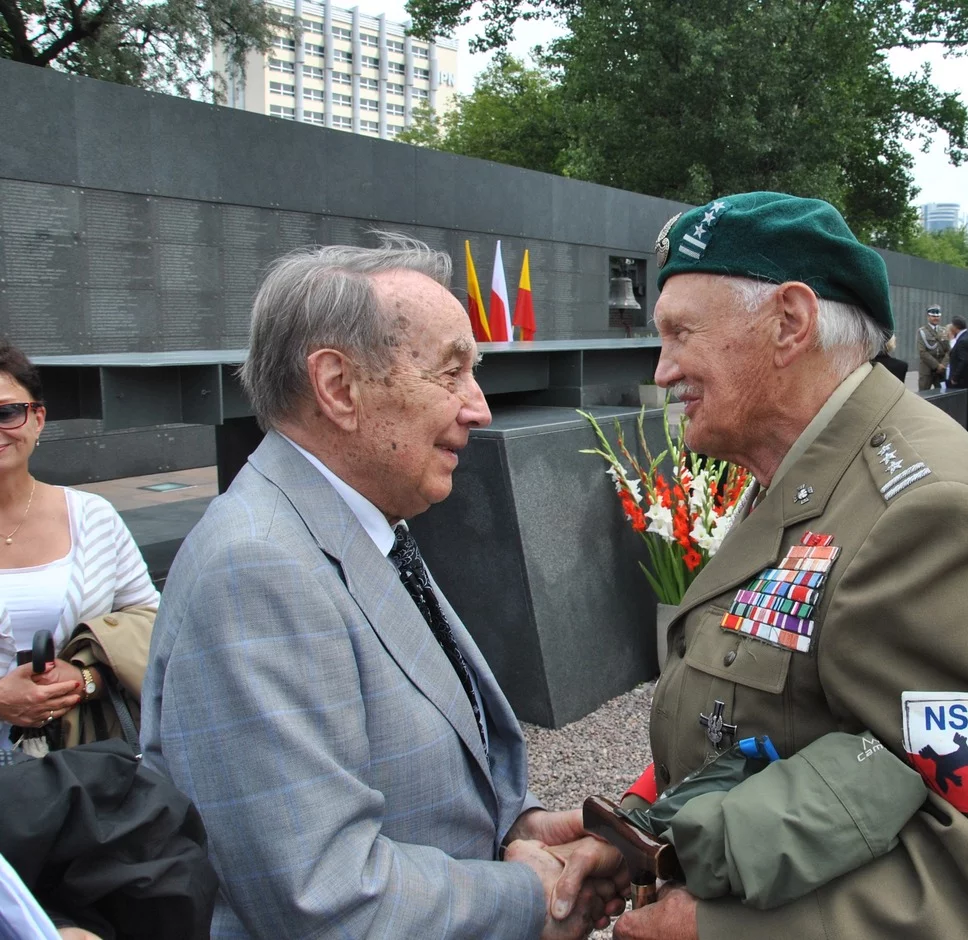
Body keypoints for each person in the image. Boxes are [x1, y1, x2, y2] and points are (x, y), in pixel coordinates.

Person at [140, 236, 627, 939]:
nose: (479, 408)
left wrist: (514, 828)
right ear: (339, 387)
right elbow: (324, 898)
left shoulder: (356, 524)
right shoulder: (257, 573)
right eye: (452, 372)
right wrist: (527, 896)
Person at [617, 192, 968, 940]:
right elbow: (756, 726)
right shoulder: (801, 463)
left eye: (682, 333)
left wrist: (718, 932)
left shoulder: (919, 511)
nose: (663, 371)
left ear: (790, 323)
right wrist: (632, 831)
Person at [0, 341, 158, 755]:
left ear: (38, 418)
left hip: (78, 766)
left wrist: (84, 679)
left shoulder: (92, 518)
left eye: (7, 413)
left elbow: (152, 627)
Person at [945, 315, 968, 431]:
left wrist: (955, 377)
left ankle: (964, 429)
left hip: (961, 381)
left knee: (961, 408)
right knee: (964, 408)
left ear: (955, 326)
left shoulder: (963, 340)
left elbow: (964, 360)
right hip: (965, 380)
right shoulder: (966, 337)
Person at [916, 305, 949, 390]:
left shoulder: (944, 331)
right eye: (933, 316)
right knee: (923, 394)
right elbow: (922, 352)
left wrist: (943, 365)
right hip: (927, 369)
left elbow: (949, 350)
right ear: (928, 317)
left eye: (938, 316)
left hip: (941, 370)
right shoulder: (922, 331)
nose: (936, 318)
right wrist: (937, 365)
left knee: (942, 393)